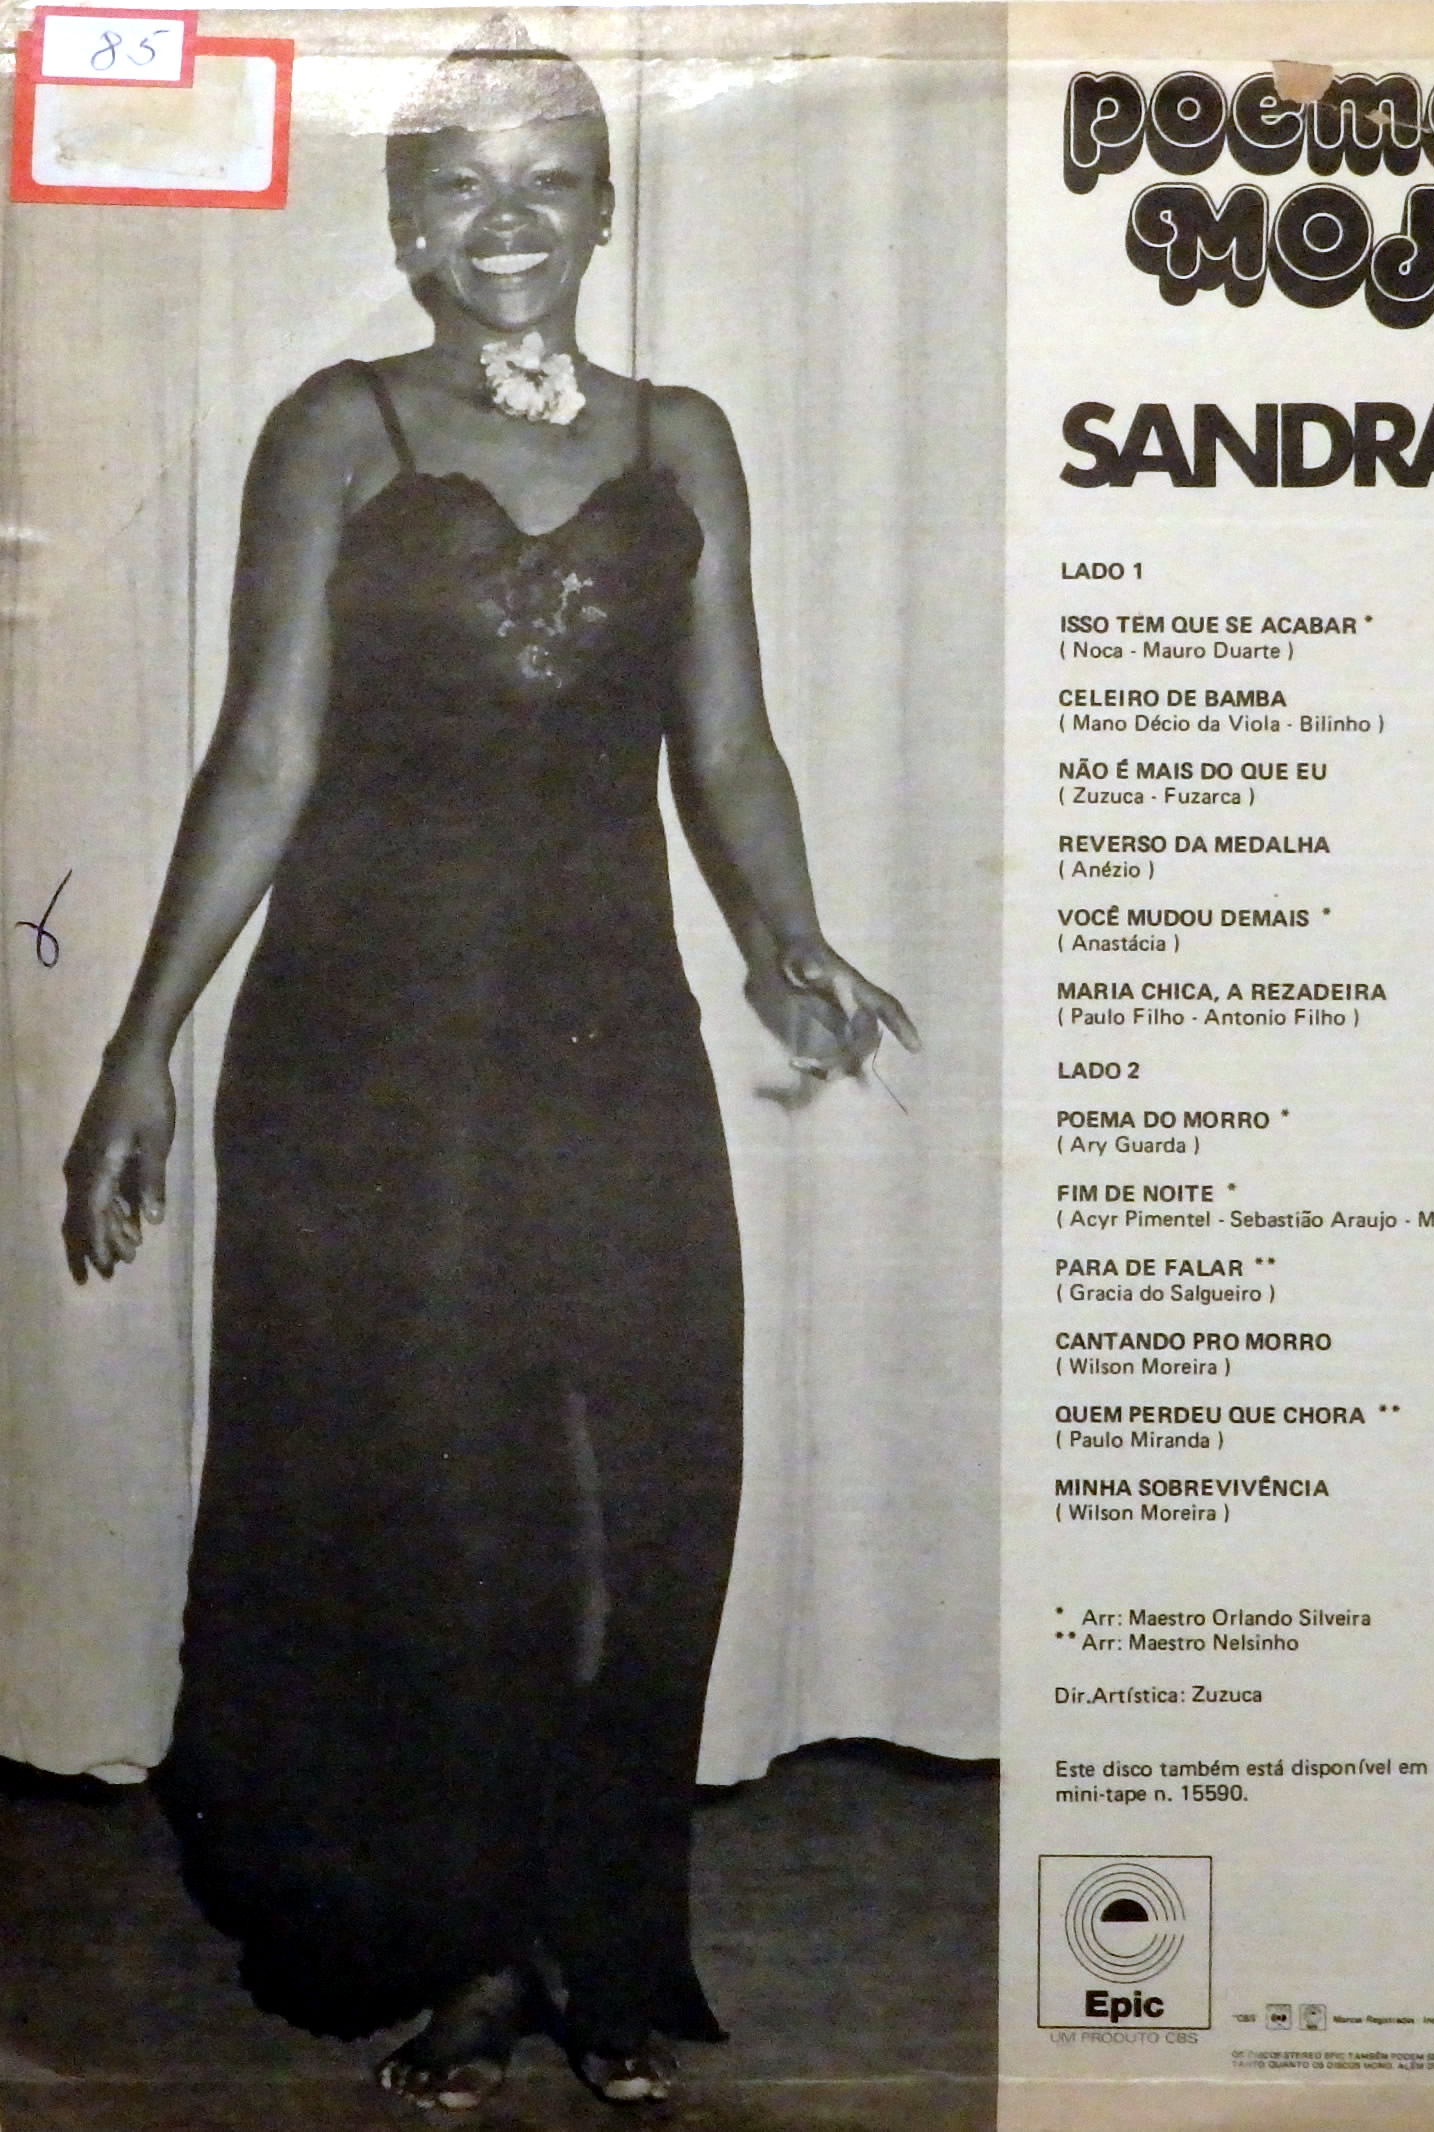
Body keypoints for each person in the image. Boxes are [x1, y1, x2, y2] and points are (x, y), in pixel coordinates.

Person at [59, 21, 915, 2110]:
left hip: (605, 1033)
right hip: (364, 1050)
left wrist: (787, 933)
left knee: (644, 1487)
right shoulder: (334, 431)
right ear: (405, 219)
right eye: (460, 182)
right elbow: (264, 754)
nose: (505, 217)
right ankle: (463, 1948)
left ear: (605, 209)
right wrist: (142, 1042)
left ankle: (597, 1941)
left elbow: (730, 744)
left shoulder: (685, 440)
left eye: (549, 179)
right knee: (429, 1511)